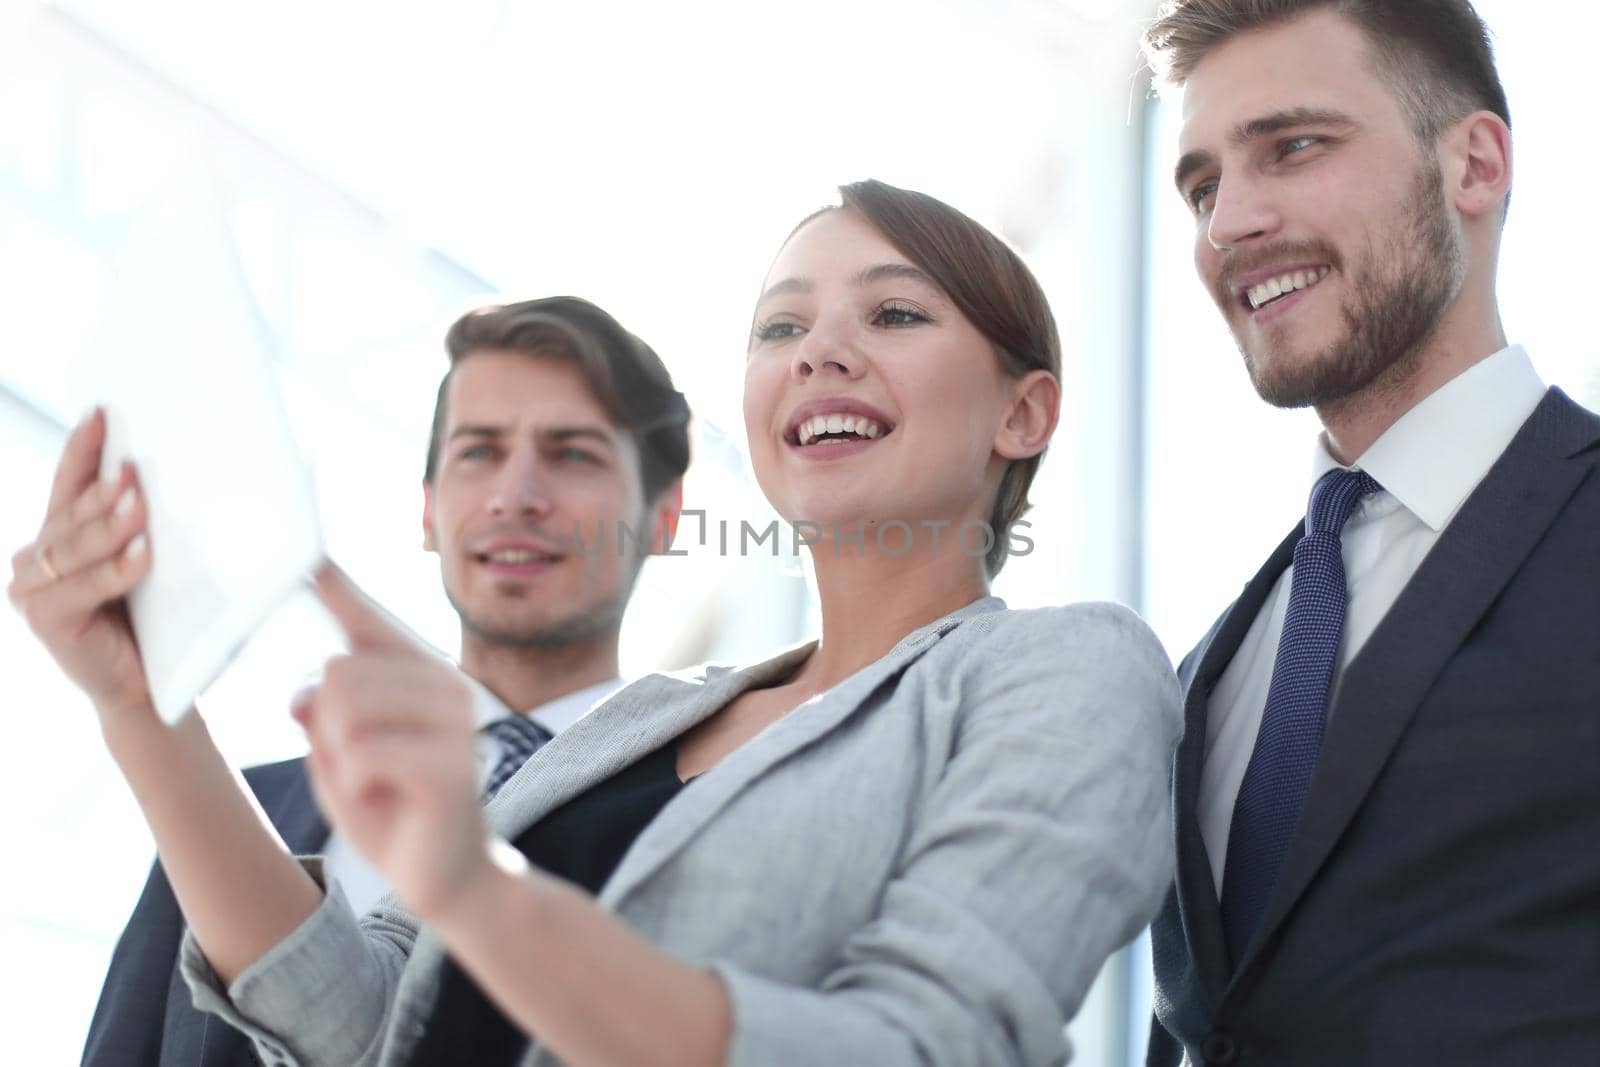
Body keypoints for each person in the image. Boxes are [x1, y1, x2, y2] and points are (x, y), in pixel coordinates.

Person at [13, 180, 1182, 1066]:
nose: (820, 349)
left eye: (892, 312)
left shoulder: (1063, 668)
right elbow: (362, 1031)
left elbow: (922, 1047)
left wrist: (478, 885)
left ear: (1023, 413)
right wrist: (135, 705)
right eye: (780, 328)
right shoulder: (643, 720)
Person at [1141, 2, 1600, 1064]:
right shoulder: (1210, 665)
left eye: (1292, 147)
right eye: (1203, 186)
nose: (1228, 225)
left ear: (1474, 166)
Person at [65, 295, 691, 1067]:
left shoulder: (704, 819)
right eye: (478, 451)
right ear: (428, 512)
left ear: (665, 519)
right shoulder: (232, 811)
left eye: (573, 454)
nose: (515, 494)